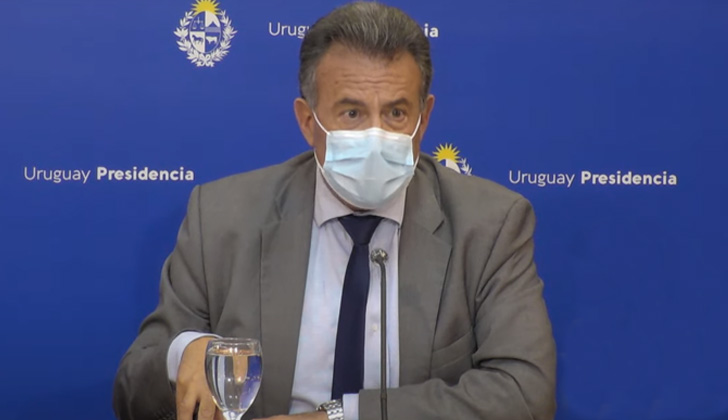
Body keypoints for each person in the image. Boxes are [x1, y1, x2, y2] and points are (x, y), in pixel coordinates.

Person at [112, 2, 556, 420]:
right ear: (308, 121)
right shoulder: (222, 217)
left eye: (396, 113)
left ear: (424, 118)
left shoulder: (490, 225)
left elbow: (525, 392)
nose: (376, 135)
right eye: (352, 113)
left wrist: (339, 416)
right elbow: (133, 393)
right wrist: (183, 353)